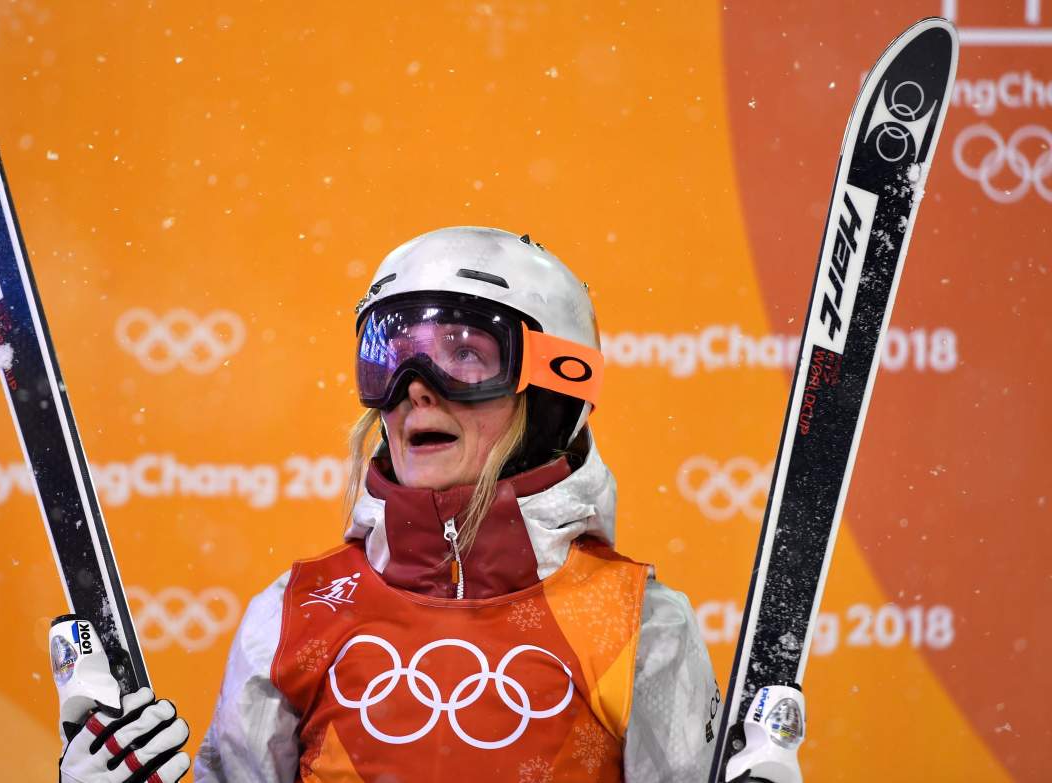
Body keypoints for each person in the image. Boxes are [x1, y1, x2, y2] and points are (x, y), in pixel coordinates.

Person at [57, 226, 720, 783]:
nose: (415, 392)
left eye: (465, 354)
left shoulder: (639, 628)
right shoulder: (294, 615)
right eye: (389, 358)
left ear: (551, 390)